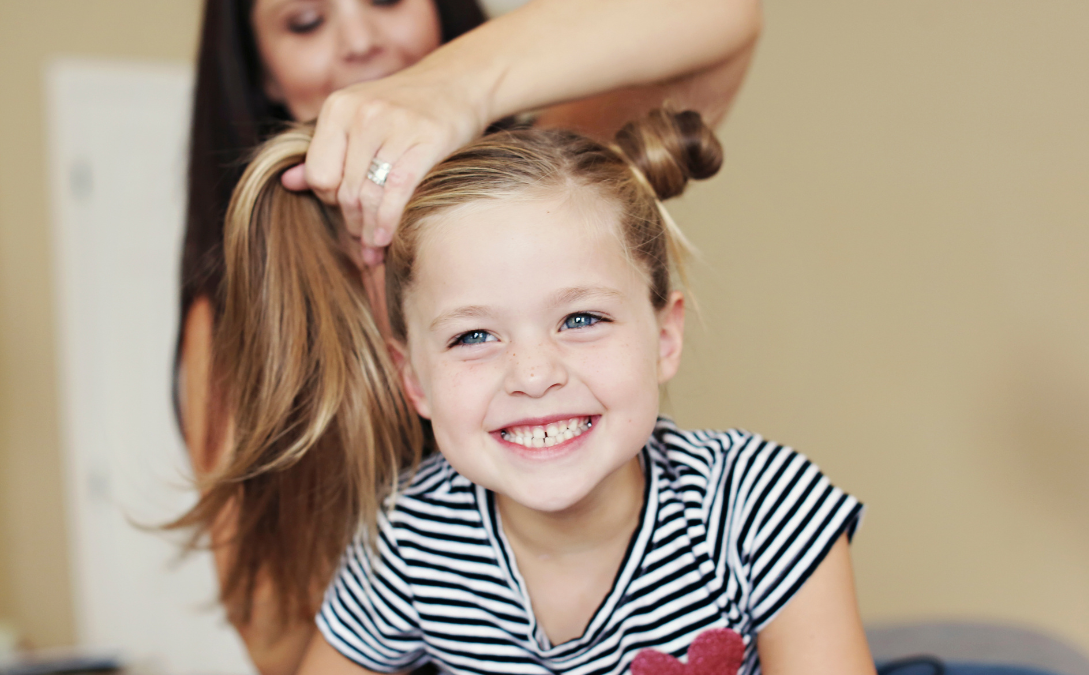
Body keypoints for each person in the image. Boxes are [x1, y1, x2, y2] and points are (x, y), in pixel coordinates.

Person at [175, 1, 760, 671]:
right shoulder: (242, 318)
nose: (360, 40)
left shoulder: (547, 176)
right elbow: (274, 641)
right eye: (305, 22)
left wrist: (455, 83)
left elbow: (723, 16)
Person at [198, 108, 875, 674]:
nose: (532, 373)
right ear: (414, 379)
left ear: (664, 336)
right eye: (473, 336)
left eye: (581, 319)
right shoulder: (409, 542)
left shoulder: (761, 507)